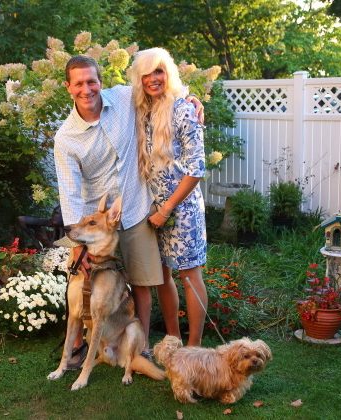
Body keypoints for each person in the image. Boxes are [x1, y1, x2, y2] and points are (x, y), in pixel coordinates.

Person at [54, 56, 202, 365]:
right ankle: (79, 346)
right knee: (82, 281)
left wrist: (191, 100)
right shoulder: (66, 138)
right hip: (97, 221)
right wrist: (77, 246)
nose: (86, 89)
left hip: (135, 207)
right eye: (78, 83)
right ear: (68, 87)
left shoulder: (123, 97)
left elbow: (161, 89)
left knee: (143, 283)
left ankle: (141, 345)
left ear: (100, 82)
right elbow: (69, 193)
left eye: (91, 81)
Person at [129, 48, 208, 347]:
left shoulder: (183, 109)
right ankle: (173, 340)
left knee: (189, 275)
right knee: (162, 275)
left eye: (159, 71)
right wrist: (158, 211)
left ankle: (194, 347)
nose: (153, 79)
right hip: (152, 209)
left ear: (169, 73)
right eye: (146, 74)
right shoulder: (140, 110)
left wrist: (167, 209)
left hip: (183, 209)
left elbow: (196, 168)